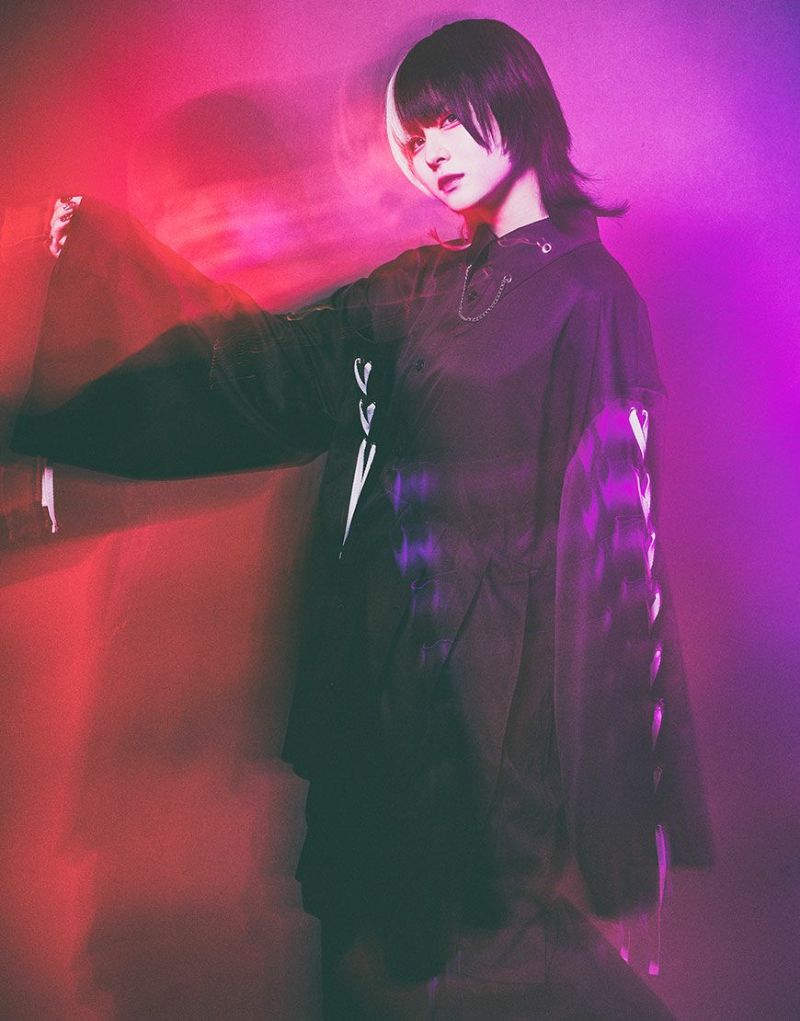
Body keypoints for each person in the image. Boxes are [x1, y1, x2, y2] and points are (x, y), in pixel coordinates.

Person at [4, 18, 712, 1020]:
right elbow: (258, 377)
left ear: (513, 107)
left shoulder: (588, 298)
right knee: (367, 956)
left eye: (445, 120)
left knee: (479, 964)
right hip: (375, 714)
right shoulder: (411, 290)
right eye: (410, 135)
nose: (427, 151)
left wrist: (620, 819)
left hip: (491, 730)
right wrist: (93, 279)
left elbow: (616, 553)